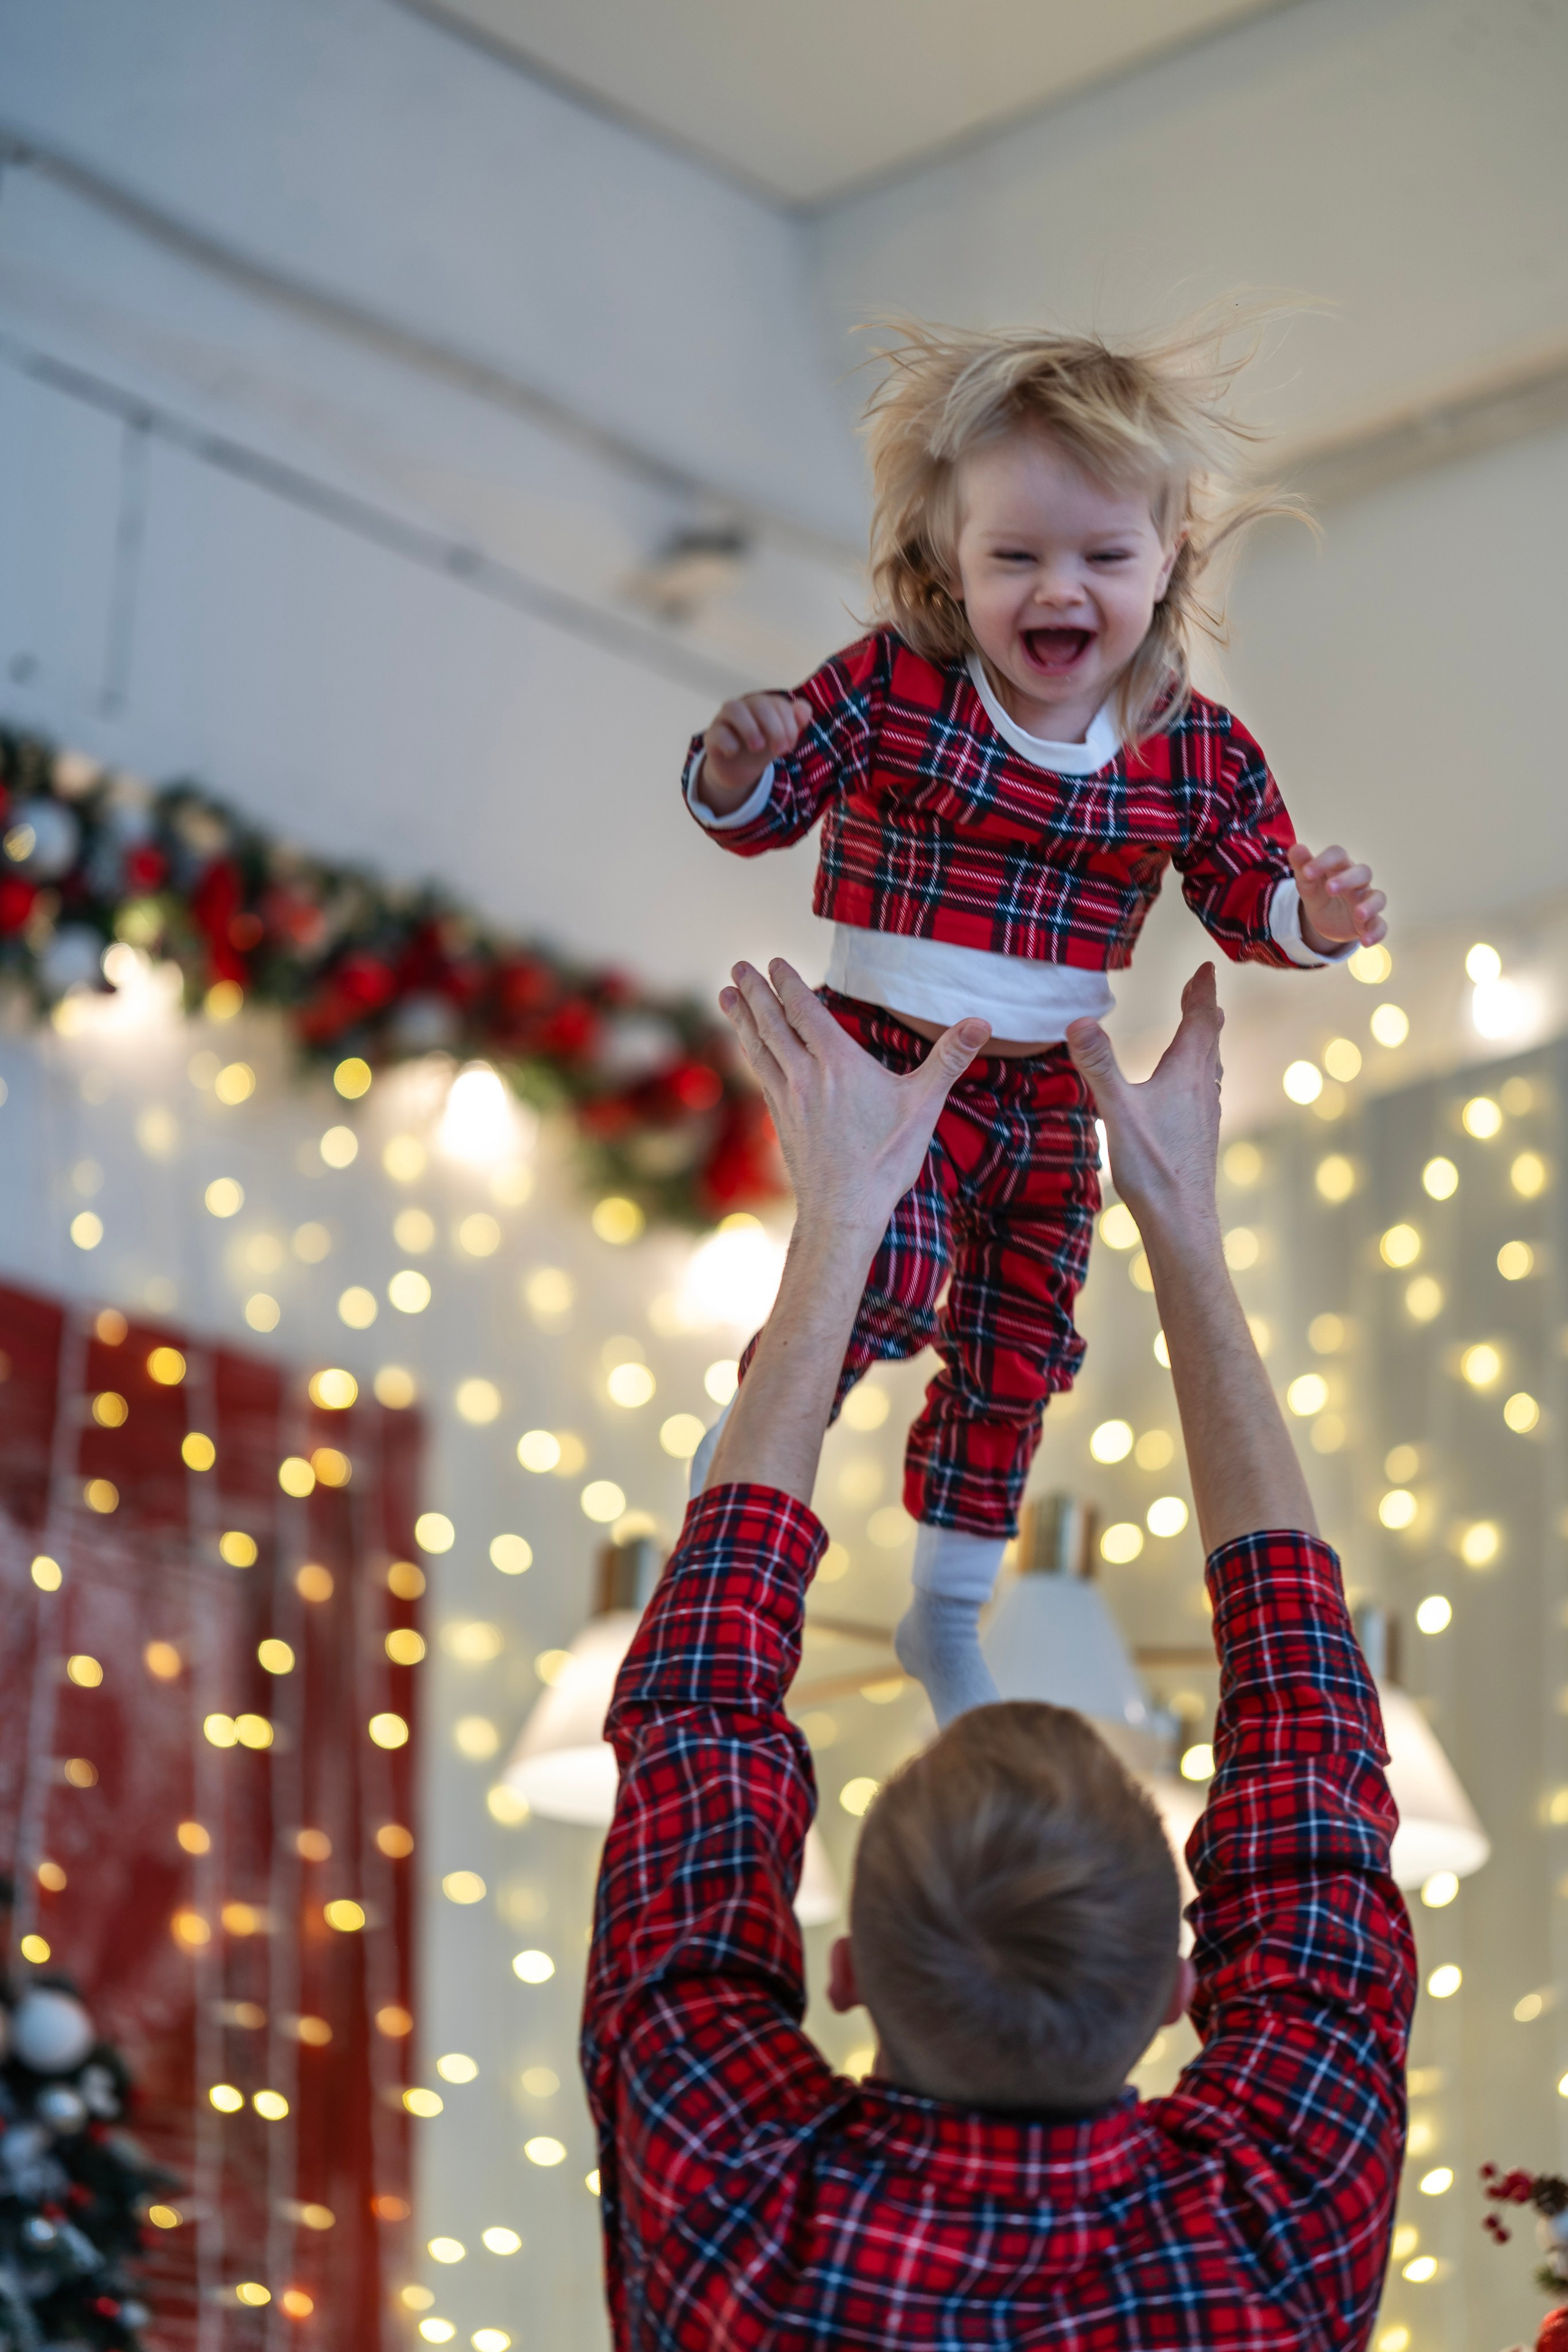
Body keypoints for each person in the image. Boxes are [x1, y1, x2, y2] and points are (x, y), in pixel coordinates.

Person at [581, 956, 1413, 2349]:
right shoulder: (1263, 2237)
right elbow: (696, 1722)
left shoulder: (738, 2208)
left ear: (841, 1970)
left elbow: (1306, 1759)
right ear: (1174, 1998)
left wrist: (846, 1222)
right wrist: (1179, 1238)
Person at [681, 318, 1387, 1725]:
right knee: (883, 1275)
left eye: (1101, 560)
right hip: (890, 1055)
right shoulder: (892, 687)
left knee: (1021, 1345)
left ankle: (948, 1615)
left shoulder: (1190, 748)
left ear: (1168, 558)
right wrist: (736, 761)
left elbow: (1245, 891)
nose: (1056, 590)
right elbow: (769, 809)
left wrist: (1309, 914)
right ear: (947, 564)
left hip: (1052, 1084)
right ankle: (728, 1511)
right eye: (1014, 558)